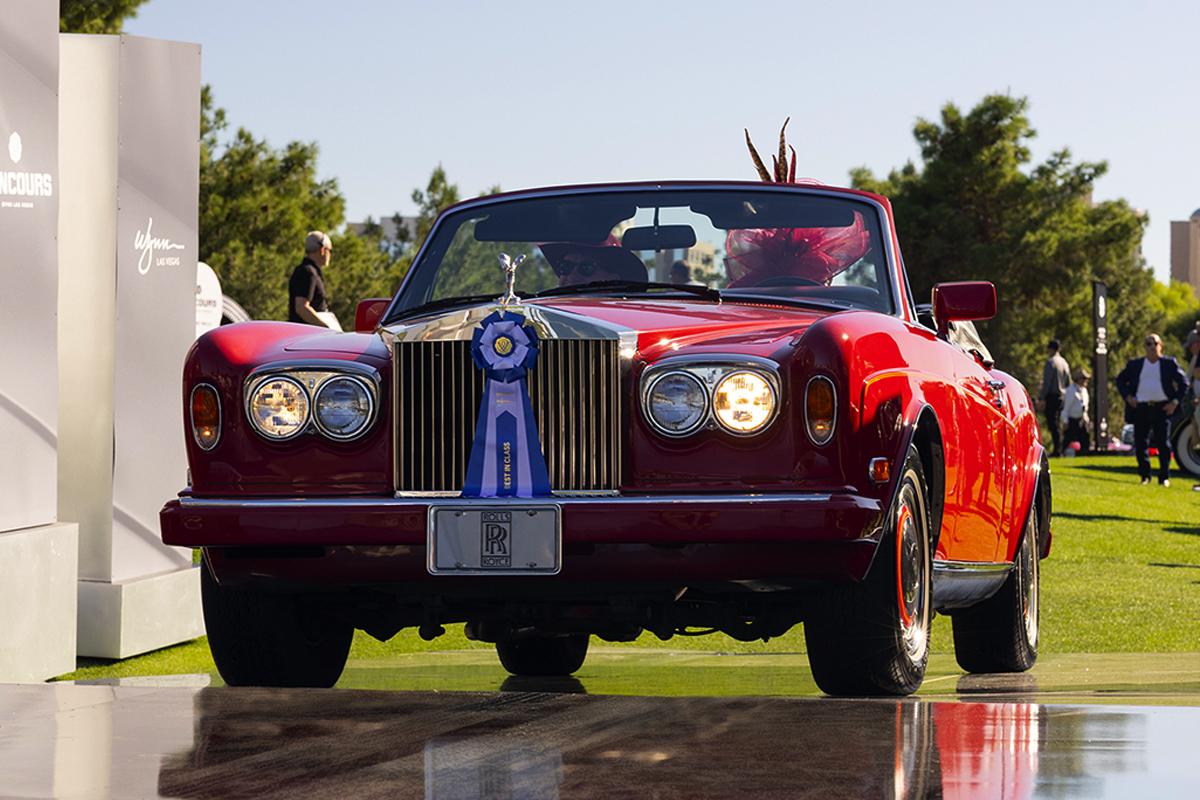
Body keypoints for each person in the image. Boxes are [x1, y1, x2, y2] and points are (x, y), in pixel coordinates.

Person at [1115, 333, 1188, 486]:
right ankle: (1145, 476)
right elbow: (1120, 380)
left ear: (1160, 345)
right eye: (1148, 344)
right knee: (1141, 443)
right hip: (1141, 407)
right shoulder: (1135, 365)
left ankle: (1164, 477)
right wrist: (1128, 397)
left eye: (1154, 343)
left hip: (1162, 408)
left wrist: (1174, 402)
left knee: (1164, 444)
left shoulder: (1169, 364)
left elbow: (1184, 383)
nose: (1151, 347)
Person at [288, 230, 340, 329]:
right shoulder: (307, 272)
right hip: (307, 337)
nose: (330, 255)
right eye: (330, 250)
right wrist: (327, 328)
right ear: (323, 250)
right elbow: (301, 308)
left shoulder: (309, 271)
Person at [1040, 339, 1071, 456]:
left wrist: (1042, 397)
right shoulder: (1064, 363)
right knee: (1057, 422)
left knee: (1052, 423)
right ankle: (1059, 448)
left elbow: (1047, 383)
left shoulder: (1051, 362)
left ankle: (1057, 450)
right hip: (1062, 396)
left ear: (1051, 349)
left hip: (1052, 396)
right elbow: (1068, 382)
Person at [1060, 368, 1090, 454]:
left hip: (1082, 419)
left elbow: (1085, 407)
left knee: (1085, 441)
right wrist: (1065, 422)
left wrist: (1086, 419)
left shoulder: (1084, 391)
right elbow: (1066, 409)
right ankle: (1061, 454)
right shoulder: (1070, 390)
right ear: (1078, 379)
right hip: (1072, 420)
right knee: (1067, 441)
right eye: (1083, 378)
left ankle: (1084, 455)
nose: (1085, 380)